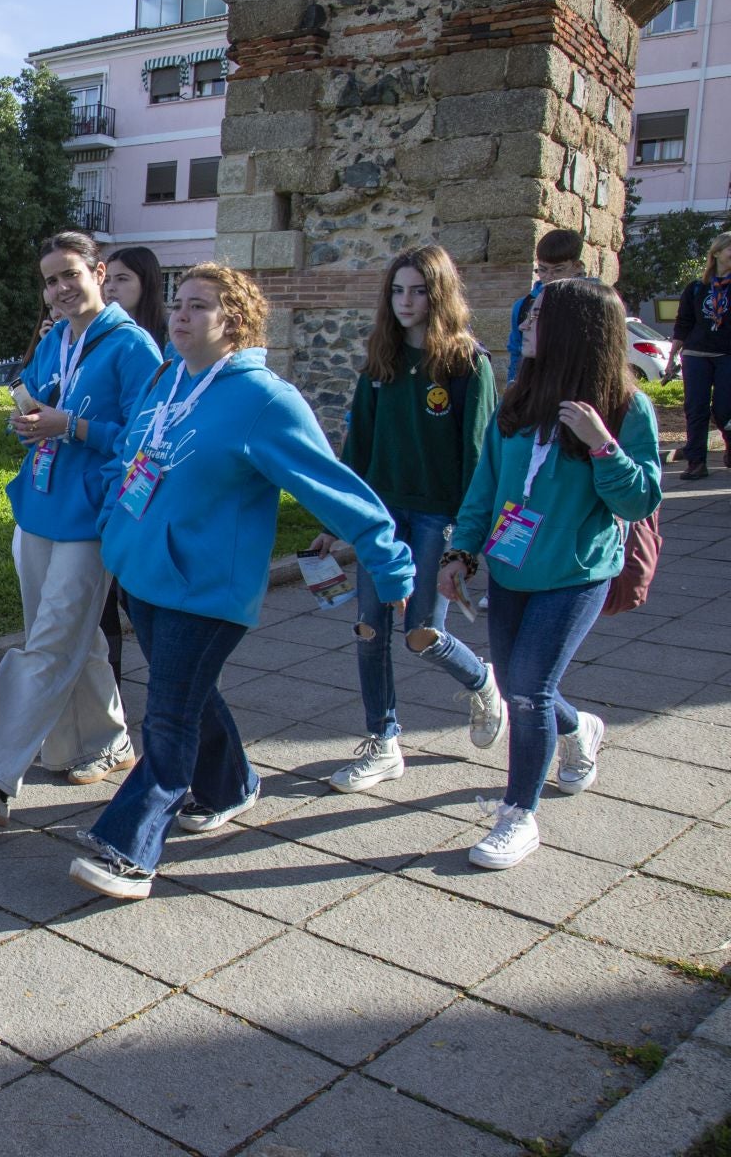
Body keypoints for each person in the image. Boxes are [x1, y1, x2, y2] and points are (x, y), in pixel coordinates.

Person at [70, 263, 415, 901]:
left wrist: (386, 555)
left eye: (199, 307)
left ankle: (132, 846)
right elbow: (132, 459)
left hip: (208, 589)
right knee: (188, 692)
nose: (179, 315)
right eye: (179, 303)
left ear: (234, 324)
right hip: (143, 572)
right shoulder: (168, 377)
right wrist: (111, 519)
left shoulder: (265, 400)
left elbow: (328, 484)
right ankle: (232, 786)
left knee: (168, 716)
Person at [437, 279, 661, 870]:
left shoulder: (624, 407)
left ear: (573, 330)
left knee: (529, 692)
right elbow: (486, 486)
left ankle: (517, 815)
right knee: (518, 686)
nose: (523, 327)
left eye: (535, 317)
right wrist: (460, 553)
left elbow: (639, 502)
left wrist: (602, 446)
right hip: (512, 570)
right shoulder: (519, 398)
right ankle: (581, 729)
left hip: (575, 573)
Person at [0, 232, 162, 826]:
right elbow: (38, 407)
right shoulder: (57, 340)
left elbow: (145, 440)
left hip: (90, 519)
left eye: (70, 275)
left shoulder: (133, 347)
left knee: (48, 644)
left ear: (97, 271)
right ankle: (104, 742)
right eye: (50, 280)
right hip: (37, 507)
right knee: (71, 637)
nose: (60, 289)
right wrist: (30, 422)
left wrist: (74, 426)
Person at [306, 246, 504, 793]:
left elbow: (479, 458)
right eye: (397, 290)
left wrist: (466, 542)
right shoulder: (380, 360)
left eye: (418, 290)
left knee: (422, 633)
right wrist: (335, 520)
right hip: (381, 514)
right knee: (371, 627)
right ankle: (383, 741)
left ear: (438, 294)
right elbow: (359, 448)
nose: (406, 301)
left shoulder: (468, 363)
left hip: (438, 516)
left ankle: (482, 681)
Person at [88, 246, 171, 681]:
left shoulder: (157, 343)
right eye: (109, 279)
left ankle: (174, 681)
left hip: (144, 485)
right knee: (100, 603)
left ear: (147, 284)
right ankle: (111, 687)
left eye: (123, 280)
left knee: (138, 597)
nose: (112, 288)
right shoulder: (92, 337)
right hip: (103, 482)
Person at [669, 230, 731, 480]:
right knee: (696, 408)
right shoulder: (696, 288)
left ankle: (729, 442)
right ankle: (696, 462)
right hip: (695, 354)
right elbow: (683, 323)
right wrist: (672, 355)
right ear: (717, 253)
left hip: (727, 354)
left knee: (725, 409)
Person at [506, 229, 584, 383]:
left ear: (577, 267)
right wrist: (512, 389)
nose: (549, 277)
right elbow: (516, 353)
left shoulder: (590, 304)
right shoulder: (523, 306)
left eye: (558, 270)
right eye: (542, 269)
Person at [102, 247, 168, 349]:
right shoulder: (98, 333)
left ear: (146, 282)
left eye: (122, 279)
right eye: (107, 280)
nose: (110, 287)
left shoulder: (172, 339)